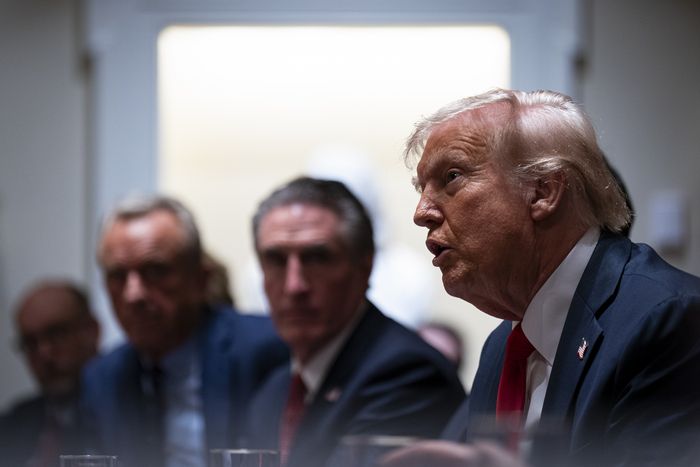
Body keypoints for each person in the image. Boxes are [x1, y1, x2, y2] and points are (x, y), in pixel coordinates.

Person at [380, 89, 700, 467]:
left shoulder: (669, 320)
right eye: (422, 189)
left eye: (452, 177)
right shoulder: (504, 345)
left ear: (543, 191)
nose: (421, 213)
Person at [245, 177, 466, 467]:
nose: (294, 286)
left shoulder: (409, 375)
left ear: (365, 266)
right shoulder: (273, 391)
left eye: (316, 258)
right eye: (275, 260)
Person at [80, 195, 288, 467]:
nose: (133, 295)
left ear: (201, 279)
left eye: (155, 271)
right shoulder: (102, 379)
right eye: (117, 276)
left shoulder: (266, 350)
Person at [0, 280, 99, 467]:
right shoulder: (12, 425)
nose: (44, 353)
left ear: (92, 330)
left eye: (56, 334)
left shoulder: (129, 412)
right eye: (30, 342)